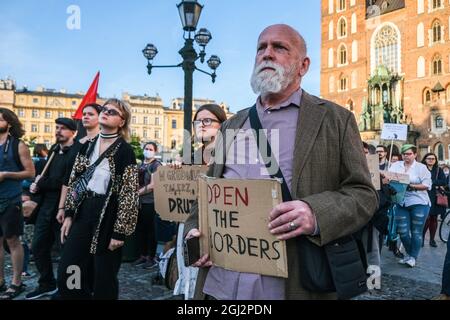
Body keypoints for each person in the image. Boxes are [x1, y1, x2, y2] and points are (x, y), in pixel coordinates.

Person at [183, 24, 378, 300]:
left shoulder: (335, 119)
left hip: (289, 284)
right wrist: (194, 229)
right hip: (221, 283)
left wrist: (315, 213)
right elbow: (207, 194)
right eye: (261, 47)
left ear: (303, 65)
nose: (267, 54)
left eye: (280, 47)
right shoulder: (232, 125)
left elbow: (364, 195)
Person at [57, 98, 138, 300]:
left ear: (122, 121)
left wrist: (120, 232)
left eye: (112, 112)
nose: (105, 112)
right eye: (104, 109)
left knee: (104, 275)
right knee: (70, 268)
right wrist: (68, 214)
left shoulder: (125, 151)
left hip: (108, 214)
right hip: (84, 211)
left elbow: (129, 194)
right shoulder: (87, 146)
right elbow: (76, 181)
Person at [172, 104, 227, 300]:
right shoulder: (190, 156)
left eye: (208, 121)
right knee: (191, 274)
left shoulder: (230, 155)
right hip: (190, 224)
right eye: (198, 122)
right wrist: (175, 172)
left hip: (218, 227)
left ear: (222, 125)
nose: (201, 125)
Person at [25, 118, 80, 300]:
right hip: (46, 207)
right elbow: (47, 177)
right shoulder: (54, 150)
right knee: (38, 246)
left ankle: (71, 288)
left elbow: (66, 181)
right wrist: (36, 186)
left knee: (68, 252)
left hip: (65, 208)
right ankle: (46, 283)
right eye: (57, 128)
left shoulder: (78, 152)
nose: (58, 131)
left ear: (73, 132)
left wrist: (42, 182)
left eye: (63, 128)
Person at [0, 108, 35, 300]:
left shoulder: (18, 145)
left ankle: (16, 283)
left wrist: (6, 175)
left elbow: (30, 173)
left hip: (11, 201)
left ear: (9, 123)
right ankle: (0, 282)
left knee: (13, 241)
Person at [56, 103, 101, 225]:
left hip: (91, 202)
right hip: (71, 203)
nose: (85, 117)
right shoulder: (76, 143)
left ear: (100, 117)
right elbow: (68, 178)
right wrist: (62, 207)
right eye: (84, 114)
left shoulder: (103, 143)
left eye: (90, 114)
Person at [387, 144, 431, 268]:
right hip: (401, 202)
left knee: (416, 231)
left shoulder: (421, 168)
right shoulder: (396, 165)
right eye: (404, 154)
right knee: (402, 231)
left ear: (415, 155)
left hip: (419, 202)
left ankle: (412, 257)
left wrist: (411, 186)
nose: (406, 156)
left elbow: (427, 185)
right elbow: (388, 178)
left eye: (409, 154)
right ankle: (410, 254)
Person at [134, 142, 161, 269]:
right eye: (146, 148)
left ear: (155, 152)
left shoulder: (156, 165)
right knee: (140, 229)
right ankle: (143, 255)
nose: (148, 151)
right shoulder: (141, 164)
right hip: (139, 202)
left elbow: (152, 185)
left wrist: (137, 192)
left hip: (151, 202)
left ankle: (151, 257)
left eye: (150, 149)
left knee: (151, 231)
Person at [421, 153, 446, 248]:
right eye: (429, 158)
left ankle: (432, 239)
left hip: (435, 196)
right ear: (425, 159)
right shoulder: (421, 169)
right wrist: (435, 183)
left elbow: (444, 181)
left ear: (435, 160)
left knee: (434, 219)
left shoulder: (439, 170)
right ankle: (422, 238)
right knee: (426, 219)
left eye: (433, 159)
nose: (431, 160)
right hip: (424, 195)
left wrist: (431, 182)